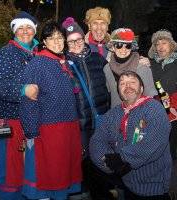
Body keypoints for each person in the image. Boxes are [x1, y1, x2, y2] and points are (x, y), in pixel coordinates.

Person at [82, 71, 172, 200]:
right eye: (122, 83)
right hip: (124, 174)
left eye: (132, 82)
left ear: (141, 88)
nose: (127, 86)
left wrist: (122, 159)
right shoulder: (114, 113)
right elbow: (97, 139)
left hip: (150, 183)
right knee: (88, 165)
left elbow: (156, 141)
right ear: (119, 90)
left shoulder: (153, 107)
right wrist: (109, 163)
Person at [19, 21, 82, 200]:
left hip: (68, 127)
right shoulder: (37, 63)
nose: (57, 41)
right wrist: (31, 130)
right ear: (44, 42)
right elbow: (28, 100)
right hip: (48, 128)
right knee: (46, 177)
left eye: (60, 37)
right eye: (51, 38)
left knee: (61, 175)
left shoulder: (64, 62)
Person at [0, 11, 39, 200]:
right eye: (20, 27)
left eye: (29, 27)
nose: (25, 31)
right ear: (14, 31)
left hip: (29, 121)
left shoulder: (36, 53)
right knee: (8, 171)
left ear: (34, 31)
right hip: (8, 122)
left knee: (26, 171)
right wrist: (24, 90)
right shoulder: (6, 53)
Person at [62, 17, 110, 199]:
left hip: (100, 119)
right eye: (71, 40)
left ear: (84, 38)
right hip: (78, 122)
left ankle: (99, 192)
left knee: (99, 158)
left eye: (79, 39)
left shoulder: (98, 58)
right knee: (80, 160)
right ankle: (80, 192)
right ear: (66, 43)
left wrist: (140, 61)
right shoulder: (63, 63)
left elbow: (115, 76)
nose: (76, 44)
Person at [104, 28, 157, 109]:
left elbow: (151, 94)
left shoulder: (143, 68)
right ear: (113, 47)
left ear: (131, 48)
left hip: (139, 117)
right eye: (118, 45)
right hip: (116, 116)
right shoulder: (107, 69)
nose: (123, 49)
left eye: (127, 46)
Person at [84, 6, 150, 67]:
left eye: (103, 23)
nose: (99, 28)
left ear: (107, 27)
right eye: (95, 23)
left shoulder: (117, 43)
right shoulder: (80, 47)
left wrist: (143, 61)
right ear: (89, 26)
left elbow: (129, 56)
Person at [148, 29, 177, 160]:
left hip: (175, 113)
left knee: (171, 147)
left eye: (164, 43)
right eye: (157, 44)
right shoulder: (150, 64)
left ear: (171, 44)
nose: (160, 47)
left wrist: (173, 106)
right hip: (155, 111)